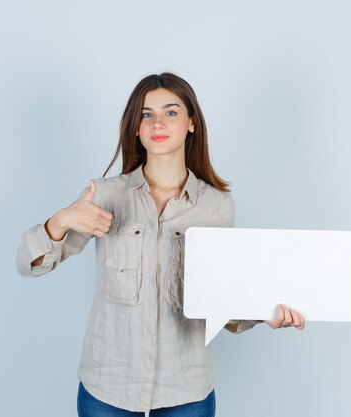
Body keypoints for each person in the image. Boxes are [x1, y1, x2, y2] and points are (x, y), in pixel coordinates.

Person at [16, 72, 305, 417]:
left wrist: (265, 313)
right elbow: (28, 265)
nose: (157, 123)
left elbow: (222, 303)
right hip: (108, 390)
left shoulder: (216, 206)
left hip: (187, 392)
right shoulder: (104, 196)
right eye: (146, 114)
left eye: (170, 112)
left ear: (191, 123)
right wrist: (60, 221)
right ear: (135, 127)